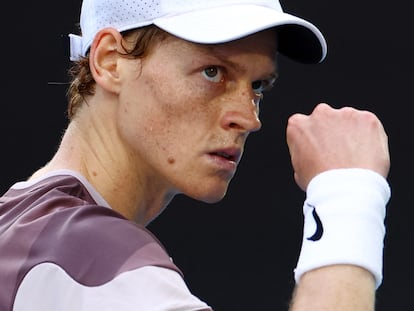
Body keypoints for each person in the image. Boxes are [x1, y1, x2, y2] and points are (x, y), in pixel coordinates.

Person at [0, 0, 391, 310]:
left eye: (258, 85)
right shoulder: (87, 260)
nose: (249, 118)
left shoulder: (26, 229)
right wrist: (347, 194)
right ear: (110, 61)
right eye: (212, 72)